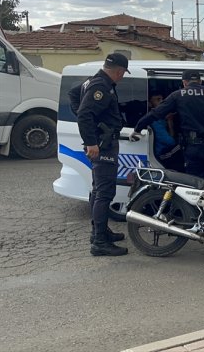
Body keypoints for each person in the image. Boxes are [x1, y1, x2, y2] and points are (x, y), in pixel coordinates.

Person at [69, 53, 130, 256]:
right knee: (105, 193)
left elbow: (72, 94)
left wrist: (94, 128)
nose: (122, 77)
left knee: (98, 191)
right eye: (122, 73)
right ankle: (100, 243)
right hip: (103, 146)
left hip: (103, 143)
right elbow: (85, 114)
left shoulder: (92, 81)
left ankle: (99, 231)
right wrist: (92, 141)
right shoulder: (100, 87)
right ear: (118, 70)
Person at [132, 70, 204, 180]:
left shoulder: (177, 95)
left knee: (195, 183)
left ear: (184, 82)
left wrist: (138, 128)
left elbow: (155, 113)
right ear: (200, 81)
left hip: (193, 148)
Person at [147, 92, 184, 170]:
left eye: (162, 99)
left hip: (167, 151)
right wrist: (170, 122)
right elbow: (170, 142)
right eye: (158, 99)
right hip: (162, 154)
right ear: (150, 104)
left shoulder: (162, 119)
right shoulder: (155, 122)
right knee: (182, 146)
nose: (161, 101)